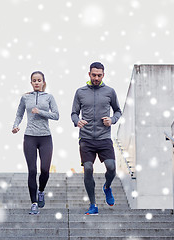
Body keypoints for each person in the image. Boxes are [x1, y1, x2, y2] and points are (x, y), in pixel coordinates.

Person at [71, 62, 122, 215]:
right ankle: (93, 205)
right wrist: (76, 121)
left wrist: (112, 120)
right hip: (86, 138)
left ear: (103, 75)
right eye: (94, 75)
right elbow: (74, 113)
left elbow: (118, 111)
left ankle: (107, 187)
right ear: (89, 74)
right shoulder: (80, 92)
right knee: (88, 169)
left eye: (99, 75)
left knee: (112, 167)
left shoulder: (110, 92)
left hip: (104, 137)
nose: (96, 78)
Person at [12, 71, 59, 214]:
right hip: (30, 137)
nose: (37, 82)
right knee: (32, 171)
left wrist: (40, 112)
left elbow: (56, 115)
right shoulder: (25, 97)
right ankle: (34, 203)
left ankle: (41, 191)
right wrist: (15, 125)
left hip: (45, 138)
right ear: (31, 82)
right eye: (34, 80)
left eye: (39, 80)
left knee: (45, 170)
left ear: (43, 82)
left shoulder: (49, 97)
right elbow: (19, 114)